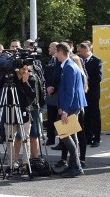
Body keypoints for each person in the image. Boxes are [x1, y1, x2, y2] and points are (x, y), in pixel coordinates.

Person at [55, 42, 86, 177]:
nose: (55, 55)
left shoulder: (69, 67)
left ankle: (77, 165)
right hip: (72, 105)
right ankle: (74, 165)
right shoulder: (69, 66)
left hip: (72, 106)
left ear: (61, 52)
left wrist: (65, 110)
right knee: (71, 135)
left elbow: (70, 91)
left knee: (64, 134)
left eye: (56, 52)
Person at [77, 41, 103, 147]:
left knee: (95, 115)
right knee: (85, 116)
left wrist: (85, 80)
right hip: (83, 94)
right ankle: (88, 137)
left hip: (92, 93)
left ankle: (96, 138)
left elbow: (98, 78)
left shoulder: (97, 61)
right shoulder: (79, 60)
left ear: (88, 50)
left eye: (81, 52)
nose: (80, 54)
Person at [43, 42, 61, 147]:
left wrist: (53, 87)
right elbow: (46, 76)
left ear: (55, 49)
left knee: (60, 118)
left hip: (58, 93)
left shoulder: (61, 62)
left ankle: (62, 141)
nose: (48, 48)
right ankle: (51, 138)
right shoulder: (50, 61)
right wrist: (48, 87)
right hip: (50, 94)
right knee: (51, 118)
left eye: (50, 47)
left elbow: (59, 77)